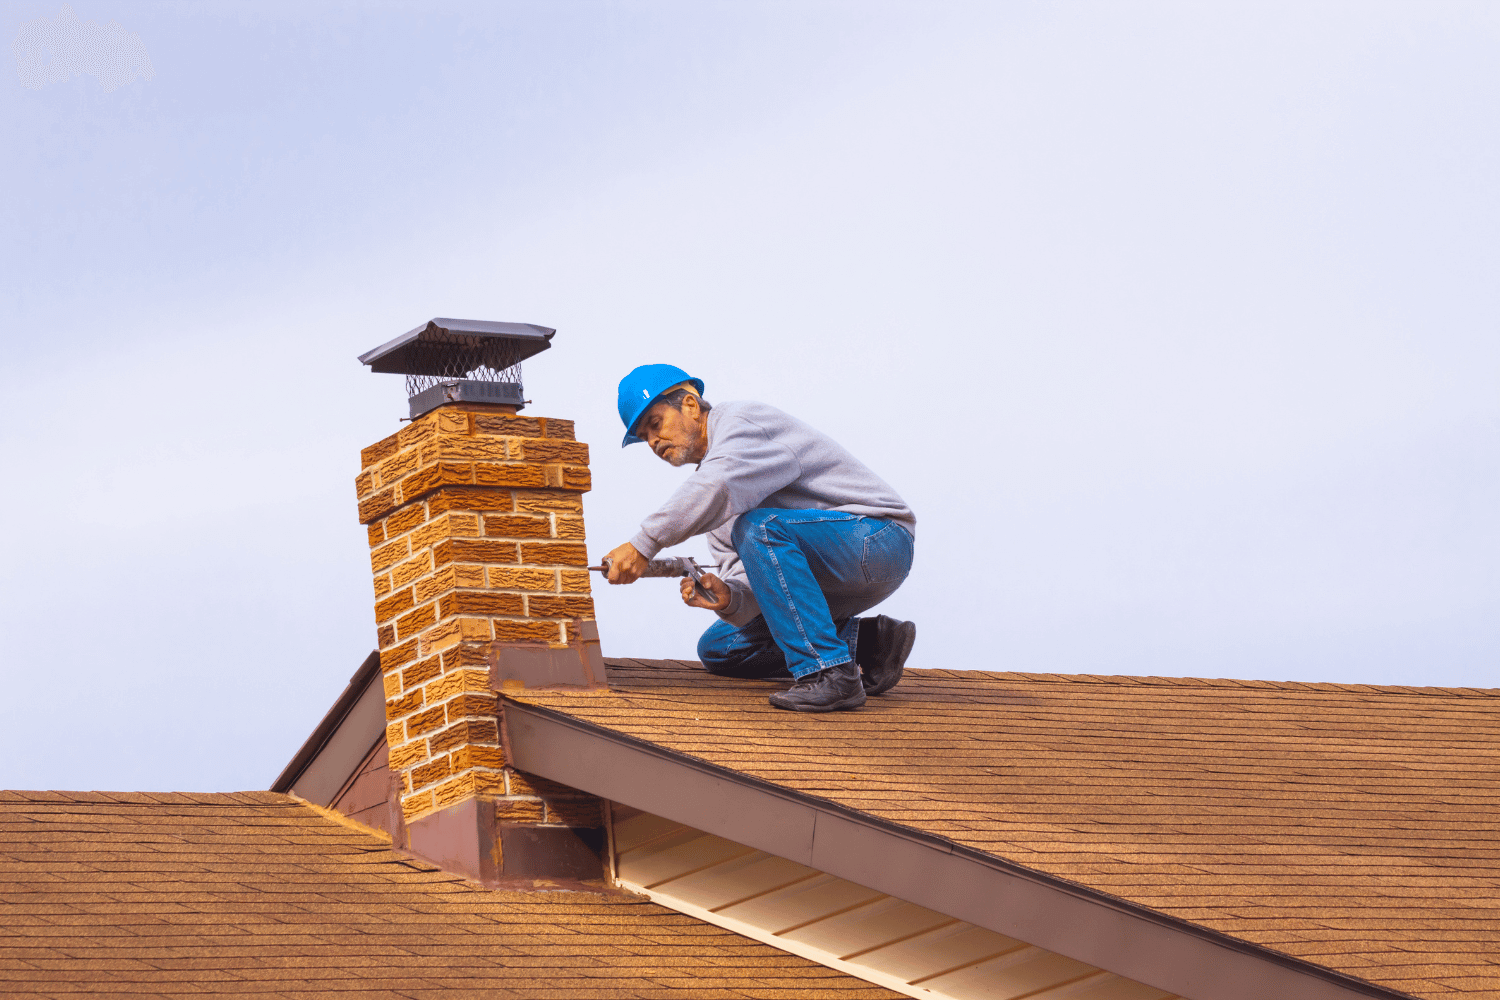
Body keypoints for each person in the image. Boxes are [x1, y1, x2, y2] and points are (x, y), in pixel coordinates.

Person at [601, 364, 917, 712]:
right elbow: (754, 580)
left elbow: (718, 485)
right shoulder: (715, 501)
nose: (653, 441)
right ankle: (870, 644)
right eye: (645, 437)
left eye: (655, 424)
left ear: (690, 405)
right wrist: (730, 598)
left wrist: (643, 544)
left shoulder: (742, 422)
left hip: (879, 540)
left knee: (761, 527)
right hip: (829, 577)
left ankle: (830, 673)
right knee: (722, 647)